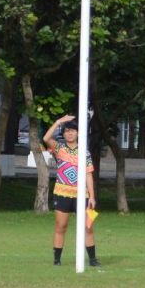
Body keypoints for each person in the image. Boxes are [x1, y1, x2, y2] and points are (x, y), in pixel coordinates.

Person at [43, 114, 100, 266]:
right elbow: (46, 138)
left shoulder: (85, 152)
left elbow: (88, 174)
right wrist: (59, 122)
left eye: (72, 131)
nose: (69, 133)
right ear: (63, 134)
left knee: (88, 227)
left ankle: (93, 260)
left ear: (78, 133)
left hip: (83, 195)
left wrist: (92, 196)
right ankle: (57, 260)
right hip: (62, 193)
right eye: (67, 131)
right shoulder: (59, 148)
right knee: (61, 226)